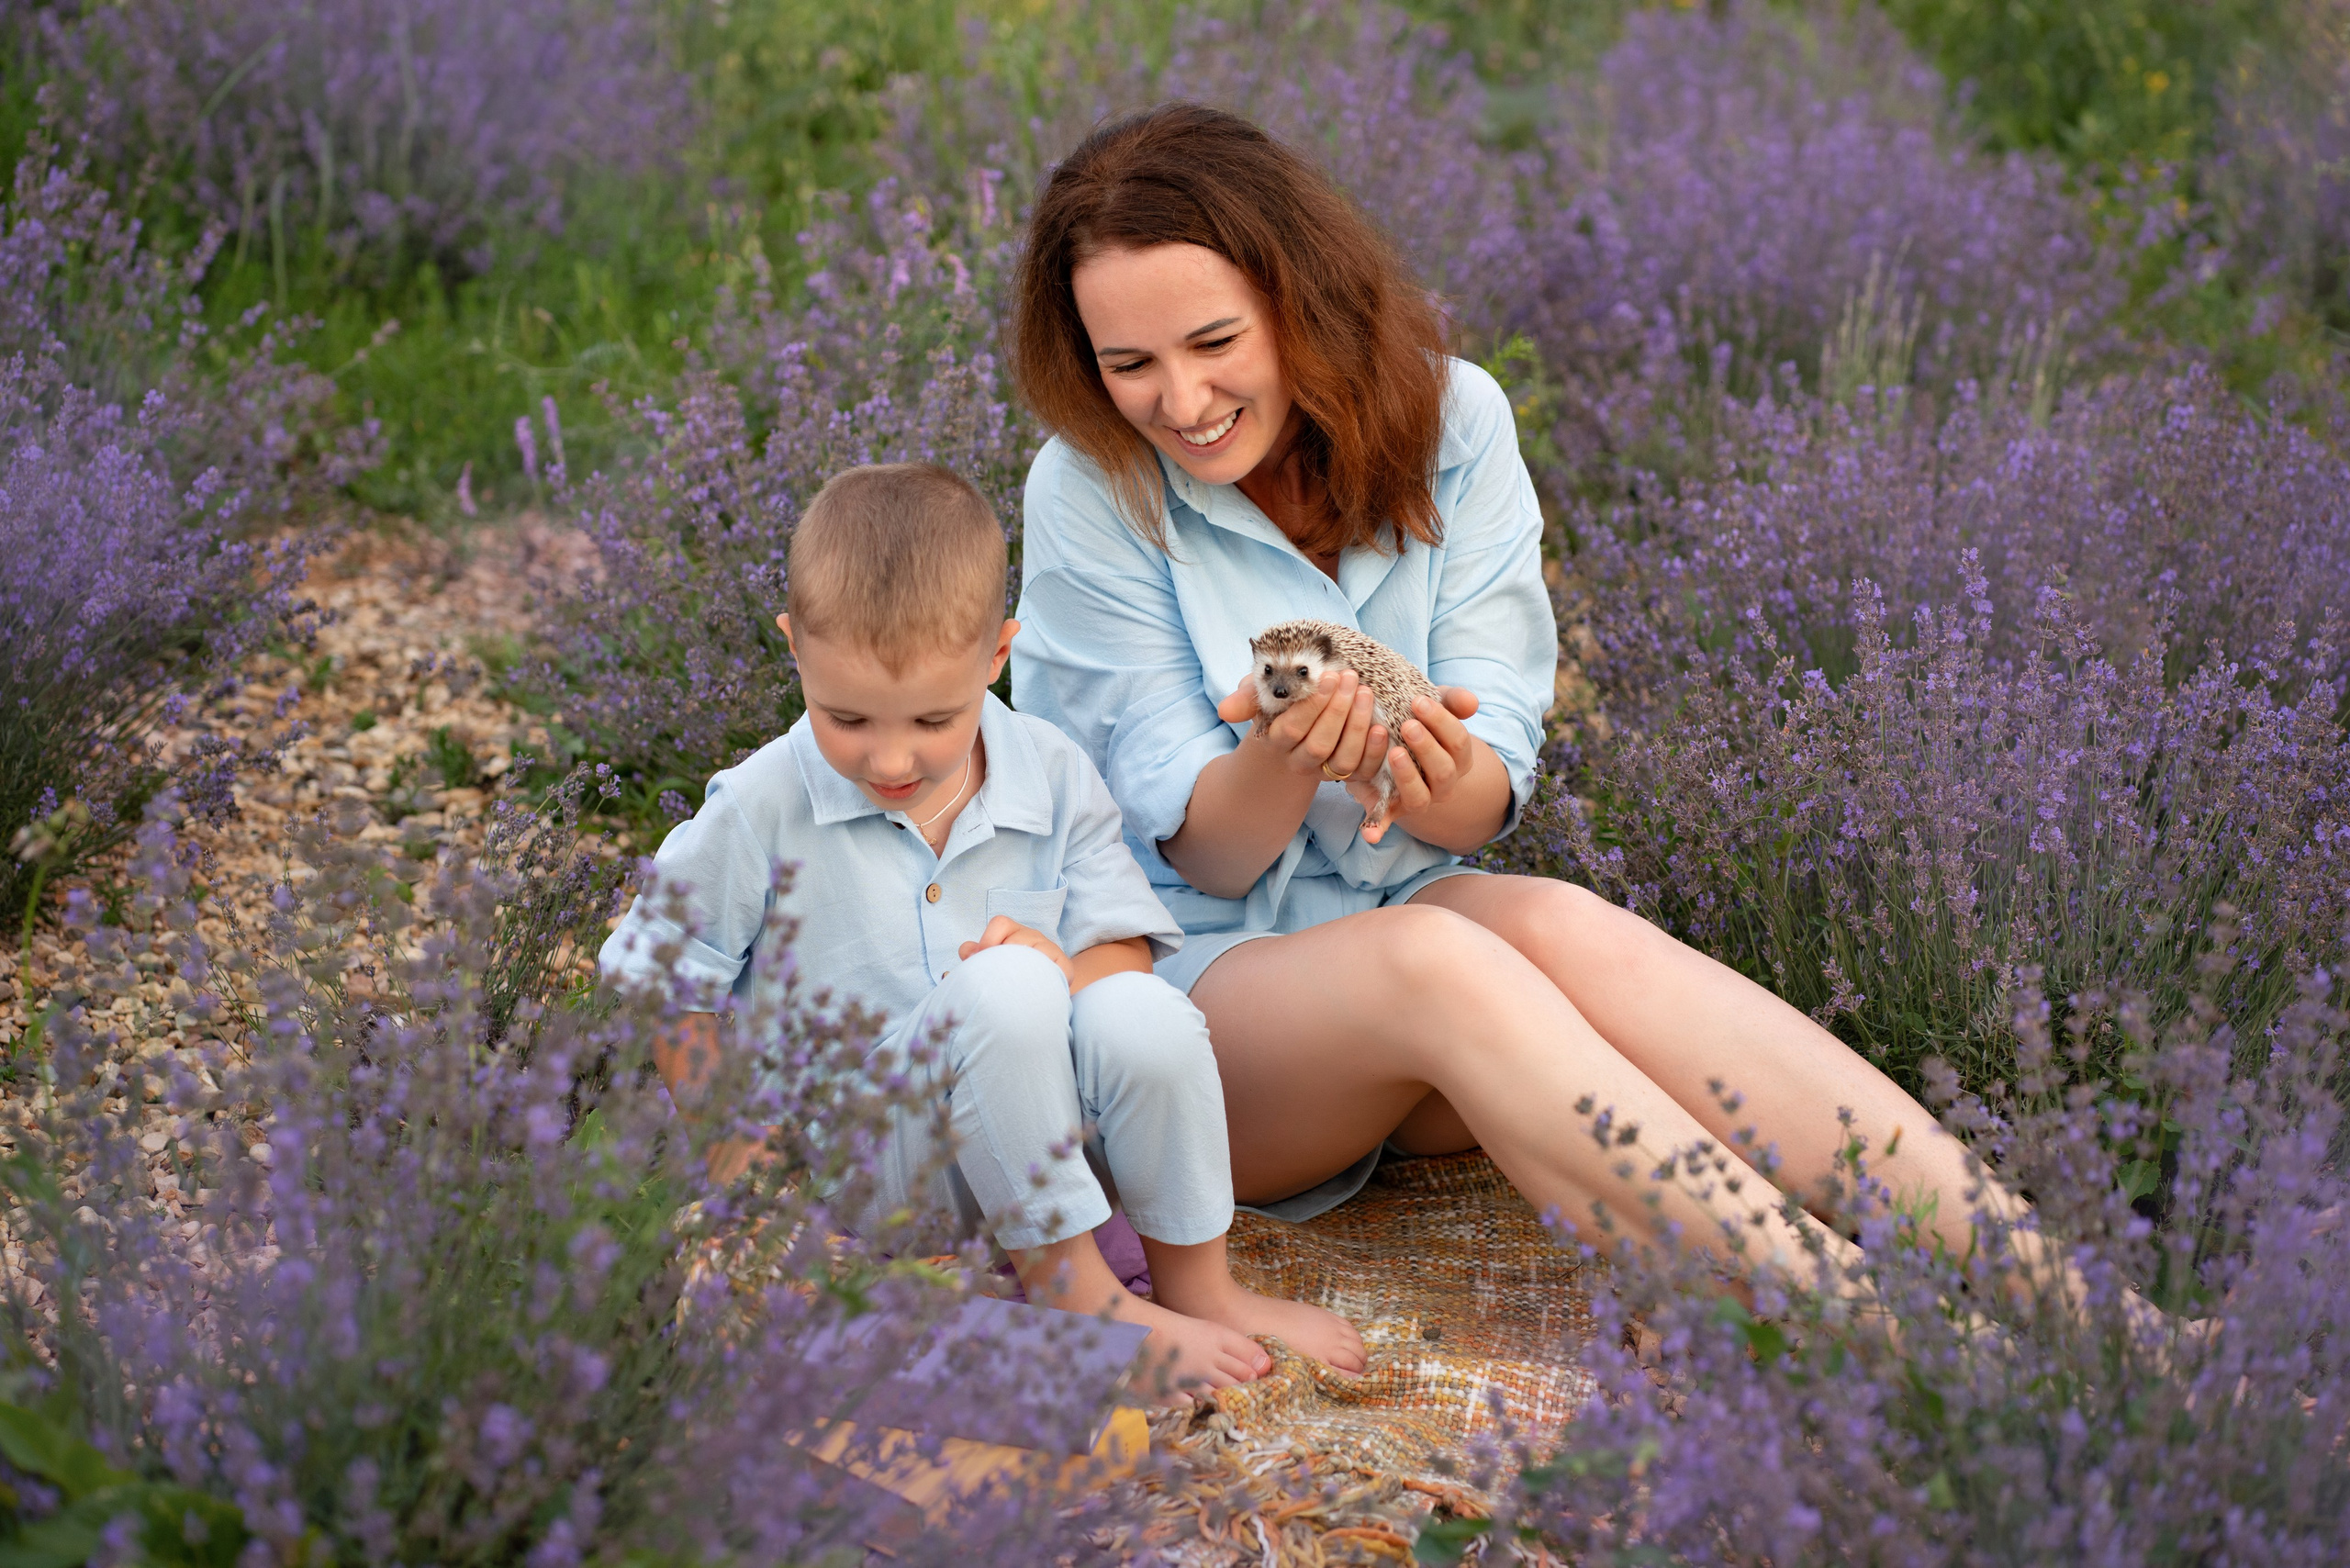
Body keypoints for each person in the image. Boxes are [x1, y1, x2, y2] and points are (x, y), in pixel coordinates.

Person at [1007, 103, 2036, 1292]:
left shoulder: (1455, 421)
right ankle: (1865, 1332)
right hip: (1189, 1016)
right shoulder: (1091, 487)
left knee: (1557, 925)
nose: (1181, 402)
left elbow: (1486, 796)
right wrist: (1287, 755)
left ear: (1298, 300)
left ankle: (2054, 1291)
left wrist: (1417, 766)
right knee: (1436, 958)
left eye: (1214, 342)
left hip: (1407, 949)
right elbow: (1210, 857)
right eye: (1128, 365)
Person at [599, 462, 1367, 1393]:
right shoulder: (762, 804)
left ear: (998, 655)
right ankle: (1079, 1299)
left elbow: (1124, 947)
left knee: (1143, 1010)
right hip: (870, 1164)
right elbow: (660, 973)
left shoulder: (1048, 771)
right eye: (847, 717)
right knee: (1005, 984)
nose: (890, 758)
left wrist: (1060, 971)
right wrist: (737, 1157)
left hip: (1036, 1145)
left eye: (934, 718)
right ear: (793, 646)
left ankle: (1200, 1287)